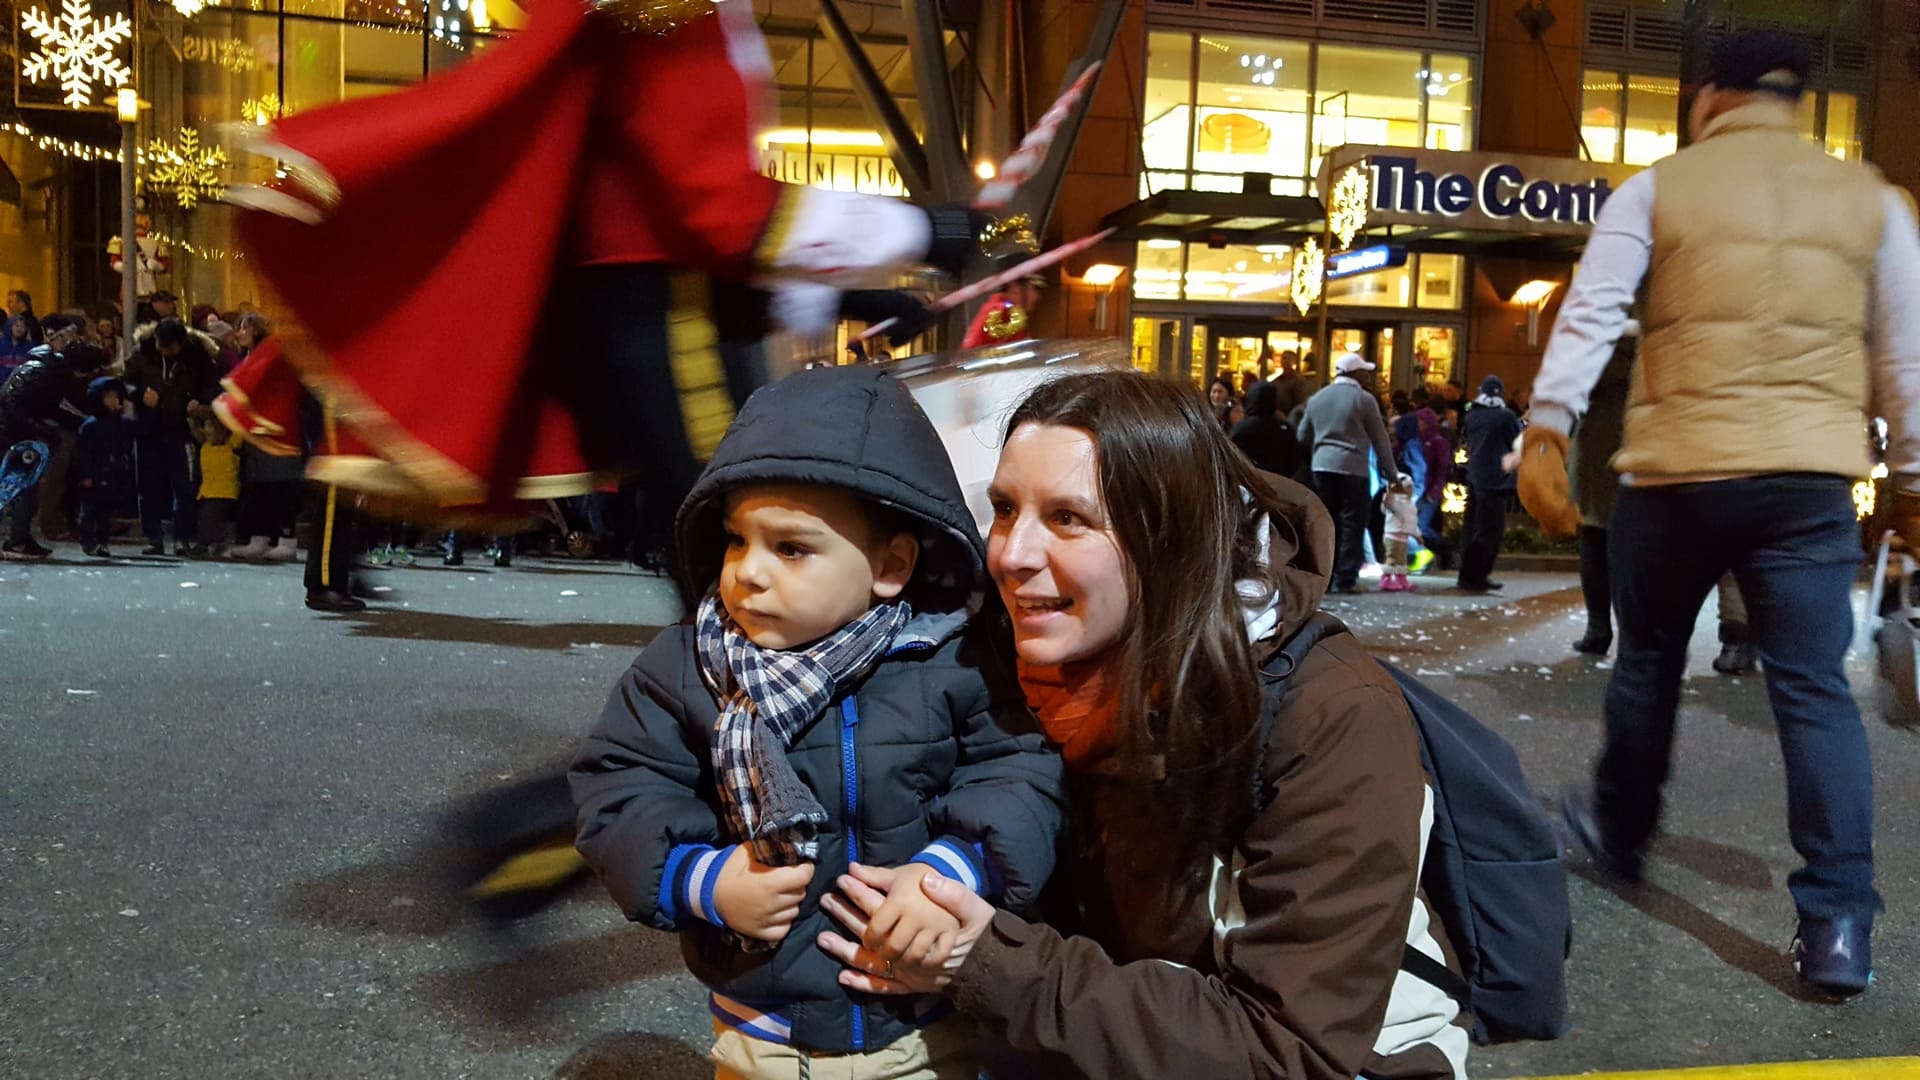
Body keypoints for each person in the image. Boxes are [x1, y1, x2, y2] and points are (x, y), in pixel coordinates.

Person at [814, 370, 1468, 1079]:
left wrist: (985, 964)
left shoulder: (1330, 714)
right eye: (1004, 508)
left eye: (1069, 518)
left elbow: (1288, 1049)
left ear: (1169, 537)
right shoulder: (987, 661)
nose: (1011, 553)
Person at [216, 0, 992, 522]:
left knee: (725, 543)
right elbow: (717, 211)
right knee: (739, 538)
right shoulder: (675, 9)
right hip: (666, 317)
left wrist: (852, 298)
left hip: (657, 302)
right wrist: (921, 231)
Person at [1518, 30, 1920, 997]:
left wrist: (1546, 430)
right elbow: (1905, 351)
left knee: (1650, 661)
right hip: (1808, 483)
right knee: (1814, 691)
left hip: (1676, 474)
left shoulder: (1658, 187)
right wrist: (1912, 477)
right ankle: (1838, 924)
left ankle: (1620, 830)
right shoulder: (1871, 199)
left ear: (1709, 96)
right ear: (1797, 100)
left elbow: (1591, 312)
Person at [569, 365, 1065, 1077]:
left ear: (890, 565)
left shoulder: (949, 658)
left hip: (927, 1023)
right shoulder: (688, 666)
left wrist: (954, 870)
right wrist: (703, 879)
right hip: (767, 1032)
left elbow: (1020, 770)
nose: (748, 572)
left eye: (791, 548)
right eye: (737, 540)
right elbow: (618, 785)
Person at [1295, 352, 1403, 594]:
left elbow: (1302, 435)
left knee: (1327, 522)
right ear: (1355, 374)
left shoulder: (1317, 398)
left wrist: (1317, 454)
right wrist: (1391, 474)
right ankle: (1344, 578)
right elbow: (1380, 439)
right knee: (1352, 523)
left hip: (1321, 467)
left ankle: (1324, 574)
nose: (1368, 376)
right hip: (1353, 468)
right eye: (1364, 372)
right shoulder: (1364, 400)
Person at [0, 341, 106, 558]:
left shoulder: (51, 373)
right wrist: (40, 429)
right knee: (21, 487)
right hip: (12, 434)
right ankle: (17, 540)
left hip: (17, 432)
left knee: (25, 487)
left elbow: (49, 407)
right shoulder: (42, 373)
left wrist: (80, 423)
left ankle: (20, 538)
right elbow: (13, 403)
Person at [126, 318, 221, 555]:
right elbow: (126, 382)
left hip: (182, 427)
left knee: (184, 485)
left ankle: (182, 537)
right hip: (148, 427)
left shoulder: (197, 356)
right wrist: (140, 395)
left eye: (171, 347)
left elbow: (211, 385)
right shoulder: (142, 353)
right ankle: (153, 537)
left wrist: (199, 401)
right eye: (162, 346)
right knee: (148, 485)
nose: (165, 351)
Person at [1457, 375, 1520, 593]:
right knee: (1491, 530)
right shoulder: (1505, 416)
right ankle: (1478, 575)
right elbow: (1516, 441)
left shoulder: (1472, 415)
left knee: (1472, 527)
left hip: (1474, 476)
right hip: (1495, 480)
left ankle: (1466, 574)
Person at [72, 375, 136, 558]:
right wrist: (85, 475)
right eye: (108, 397)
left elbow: (127, 442)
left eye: (115, 396)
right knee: (89, 510)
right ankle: (87, 540)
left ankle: (102, 541)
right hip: (94, 474)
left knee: (105, 513)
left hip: (112, 474)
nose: (113, 400)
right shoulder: (90, 426)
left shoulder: (121, 423)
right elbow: (83, 453)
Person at [187, 402, 242, 558]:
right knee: (205, 517)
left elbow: (240, 429)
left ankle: (206, 544)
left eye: (211, 426)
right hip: (207, 492)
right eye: (206, 426)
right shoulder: (205, 446)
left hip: (225, 492)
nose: (207, 430)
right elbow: (193, 425)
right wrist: (194, 413)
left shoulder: (231, 445)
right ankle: (212, 543)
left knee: (210, 516)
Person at [1228, 377, 1300, 478]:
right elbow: (1294, 459)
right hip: (1278, 479)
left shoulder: (1241, 429)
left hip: (1250, 479)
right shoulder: (1284, 428)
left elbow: (1230, 457)